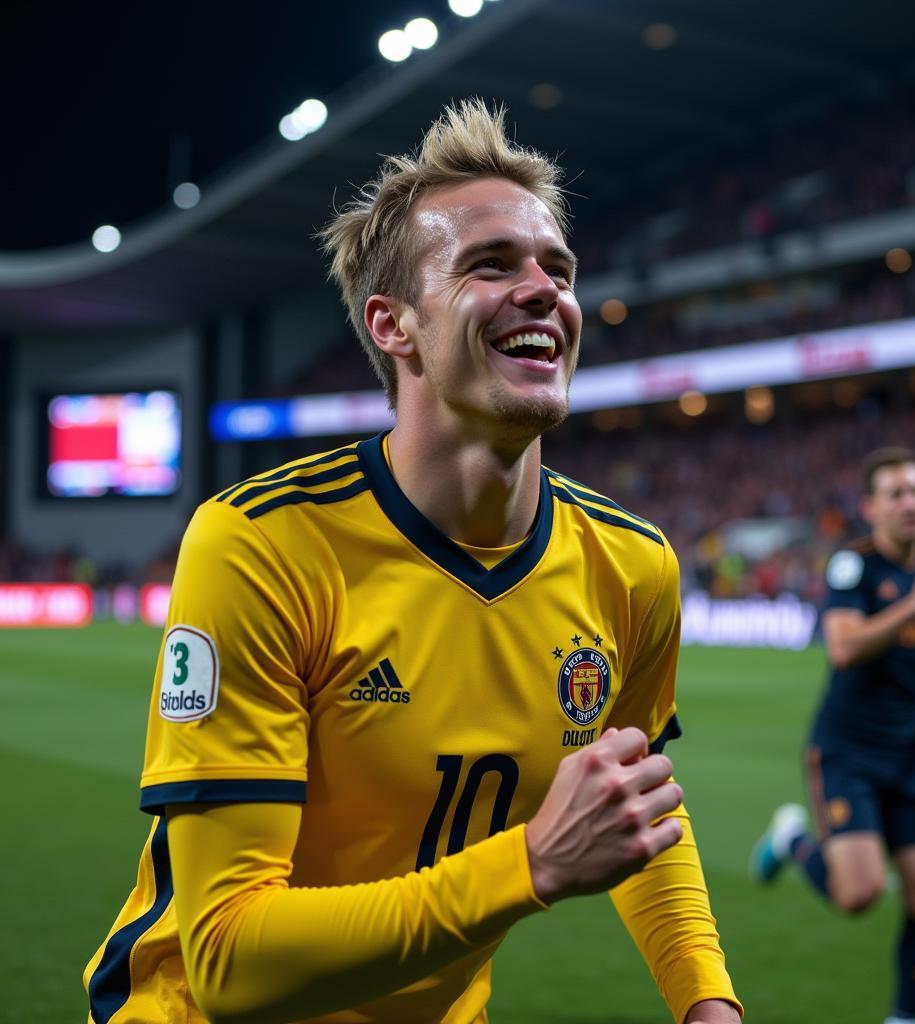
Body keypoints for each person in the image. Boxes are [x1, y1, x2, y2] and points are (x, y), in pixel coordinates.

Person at [85, 100, 742, 1024]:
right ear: (393, 325)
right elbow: (230, 963)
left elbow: (637, 812)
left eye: (559, 268)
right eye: (491, 264)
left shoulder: (631, 566)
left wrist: (707, 1001)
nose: (544, 289)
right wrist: (532, 864)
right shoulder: (264, 545)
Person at [751, 447, 915, 1024]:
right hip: (845, 751)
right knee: (858, 896)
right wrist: (913, 604)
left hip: (909, 755)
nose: (912, 503)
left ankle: (904, 1017)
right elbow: (844, 646)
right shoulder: (853, 567)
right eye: (897, 494)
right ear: (871, 507)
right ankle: (793, 841)